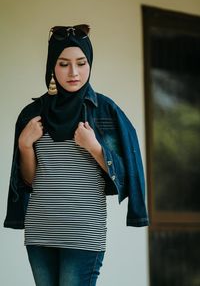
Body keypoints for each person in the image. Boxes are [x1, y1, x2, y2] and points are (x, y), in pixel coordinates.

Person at [4, 24, 149, 286]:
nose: (74, 72)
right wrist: (25, 145)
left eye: (81, 63)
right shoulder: (31, 114)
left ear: (90, 64)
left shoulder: (104, 111)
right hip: (40, 234)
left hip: (83, 235)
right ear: (52, 66)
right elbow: (29, 180)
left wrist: (94, 146)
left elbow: (127, 174)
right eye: (63, 63)